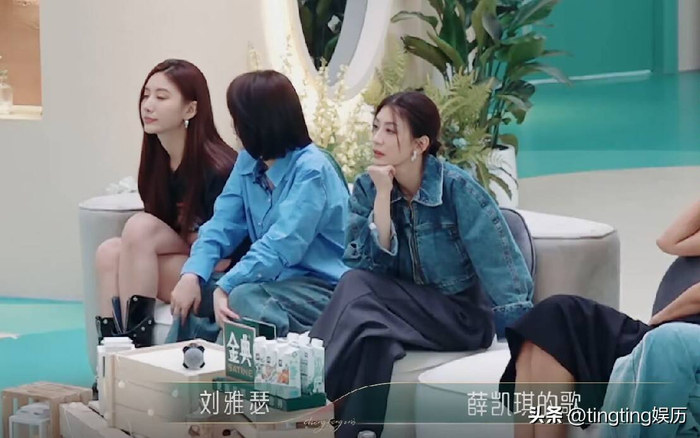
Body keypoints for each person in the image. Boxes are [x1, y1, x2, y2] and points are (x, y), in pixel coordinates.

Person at [309, 91, 535, 438]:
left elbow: (503, 267)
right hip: (401, 311)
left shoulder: (457, 190)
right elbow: (361, 261)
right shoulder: (370, 187)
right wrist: (383, 196)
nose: (377, 138)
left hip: (459, 317)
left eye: (390, 130)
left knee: (356, 288)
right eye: (375, 127)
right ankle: (357, 432)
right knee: (374, 335)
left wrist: (520, 349)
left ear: (420, 143)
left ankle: (304, 393)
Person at [167, 70, 349, 343]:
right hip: (273, 283)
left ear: (258, 122)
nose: (233, 128)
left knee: (243, 297)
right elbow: (221, 225)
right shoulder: (248, 162)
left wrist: (227, 286)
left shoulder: (313, 171)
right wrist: (191, 274)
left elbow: (281, 245)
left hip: (324, 289)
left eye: (237, 119)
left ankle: (226, 369)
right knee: (197, 291)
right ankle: (170, 369)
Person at [499, 197, 700, 438]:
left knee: (560, 317)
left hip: (677, 345)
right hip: (663, 338)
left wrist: (658, 319)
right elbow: (669, 241)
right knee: (547, 320)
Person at [94, 59, 247, 348]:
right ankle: (111, 357)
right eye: (146, 95)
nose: (148, 106)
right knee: (108, 252)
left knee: (140, 227)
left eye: (161, 97)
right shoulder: (156, 163)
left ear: (190, 110)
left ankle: (137, 351)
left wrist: (188, 242)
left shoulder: (219, 168)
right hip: (184, 257)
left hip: (218, 275)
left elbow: (225, 252)